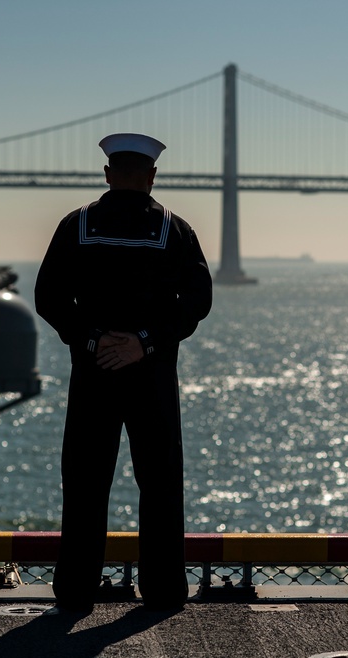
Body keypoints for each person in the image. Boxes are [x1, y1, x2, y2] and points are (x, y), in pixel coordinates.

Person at [35, 133, 213, 613]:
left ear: (108, 173)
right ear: (152, 176)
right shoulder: (176, 230)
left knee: (86, 480)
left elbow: (48, 298)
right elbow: (198, 302)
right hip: (152, 376)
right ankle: (163, 591)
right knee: (159, 483)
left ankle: (75, 592)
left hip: (93, 373)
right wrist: (145, 342)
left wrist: (93, 339)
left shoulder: (76, 225)